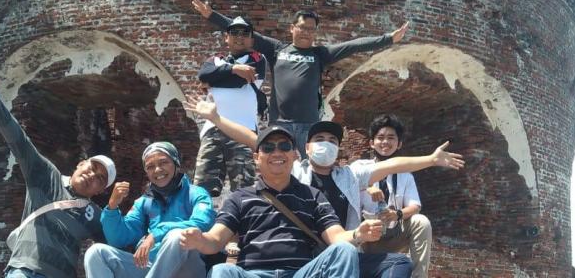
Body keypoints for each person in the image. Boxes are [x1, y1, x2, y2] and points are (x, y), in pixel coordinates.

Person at [185, 99, 465, 278]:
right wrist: (217, 119)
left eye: (332, 141)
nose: (326, 144)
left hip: (332, 251)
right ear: (305, 149)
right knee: (221, 270)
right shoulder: (294, 170)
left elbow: (392, 164)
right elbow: (256, 141)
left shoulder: (349, 176)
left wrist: (431, 159)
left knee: (389, 262)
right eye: (319, 139)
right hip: (287, 260)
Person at [191, 0, 409, 156]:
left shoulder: (320, 54)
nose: (306, 33)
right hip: (280, 124)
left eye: (311, 29)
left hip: (309, 125)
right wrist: (211, 15)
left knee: (307, 172)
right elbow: (246, 32)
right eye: (303, 27)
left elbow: (353, 46)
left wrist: (388, 38)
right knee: (277, 164)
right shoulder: (277, 49)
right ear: (292, 28)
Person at [0, 62, 117, 278]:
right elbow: (18, 140)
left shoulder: (95, 215)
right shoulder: (47, 177)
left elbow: (119, 243)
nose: (92, 175)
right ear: (80, 164)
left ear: (100, 191)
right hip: (24, 271)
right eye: (91, 167)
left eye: (100, 179)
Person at [179, 125, 384, 278]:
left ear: (294, 155)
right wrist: (200, 240)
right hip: (254, 274)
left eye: (284, 146)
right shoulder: (239, 197)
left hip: (301, 273)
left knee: (345, 250)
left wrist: (358, 234)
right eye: (268, 147)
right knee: (221, 271)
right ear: (256, 157)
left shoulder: (312, 196)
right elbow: (215, 240)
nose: (277, 152)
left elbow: (336, 236)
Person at [84, 142, 216, 278]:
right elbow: (119, 239)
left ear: (176, 163)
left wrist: (155, 234)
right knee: (96, 252)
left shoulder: (196, 193)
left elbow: (203, 223)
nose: (157, 170)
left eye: (163, 162)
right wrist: (112, 207)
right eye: (150, 167)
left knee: (177, 236)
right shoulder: (144, 202)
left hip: (187, 268)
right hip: (151, 267)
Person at [194, 16, 266, 198]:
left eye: (245, 33)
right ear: (226, 37)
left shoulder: (257, 59)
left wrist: (213, 80)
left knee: (244, 189)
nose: (239, 37)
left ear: (251, 39)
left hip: (243, 131)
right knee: (202, 189)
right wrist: (234, 69)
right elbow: (203, 74)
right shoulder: (215, 59)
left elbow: (237, 83)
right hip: (212, 130)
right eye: (234, 32)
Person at [358, 115, 434, 278]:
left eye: (391, 138)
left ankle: (418, 276)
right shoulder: (360, 168)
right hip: (364, 236)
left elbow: (415, 206)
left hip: (392, 234)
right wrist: (366, 187)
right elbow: (344, 188)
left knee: (421, 222)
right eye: (380, 137)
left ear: (399, 144)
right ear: (371, 143)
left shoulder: (405, 174)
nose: (385, 142)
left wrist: (397, 214)